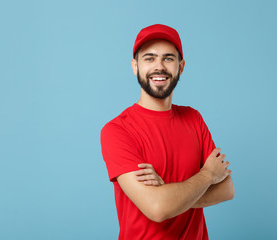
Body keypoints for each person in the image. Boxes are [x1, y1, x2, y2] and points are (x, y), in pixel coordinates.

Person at [100, 24, 234, 240]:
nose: (159, 66)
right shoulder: (117, 131)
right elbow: (157, 208)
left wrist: (169, 192)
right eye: (149, 58)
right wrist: (207, 175)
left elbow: (227, 189)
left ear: (181, 67)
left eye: (168, 58)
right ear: (135, 66)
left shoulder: (194, 119)